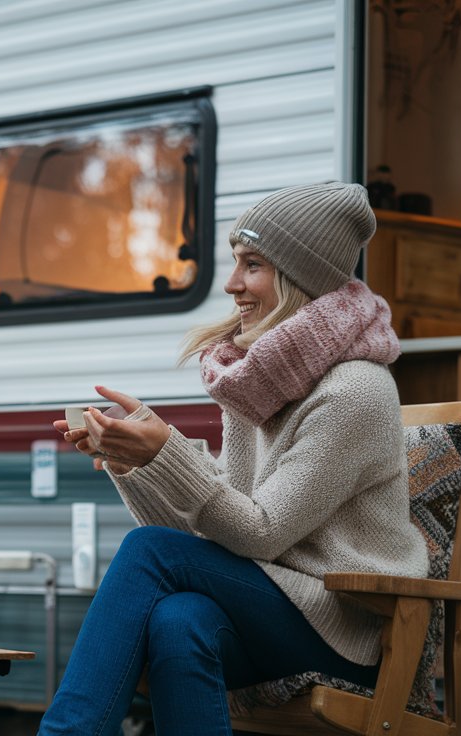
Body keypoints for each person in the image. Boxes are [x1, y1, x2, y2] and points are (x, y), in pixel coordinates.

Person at [37, 181, 429, 736]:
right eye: (235, 262)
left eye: (253, 265)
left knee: (147, 551)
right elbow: (211, 530)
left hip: (341, 623)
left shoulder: (356, 392)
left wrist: (166, 451)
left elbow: (260, 532)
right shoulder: (260, 380)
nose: (232, 284)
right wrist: (139, 460)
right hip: (268, 600)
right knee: (179, 620)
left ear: (301, 278)